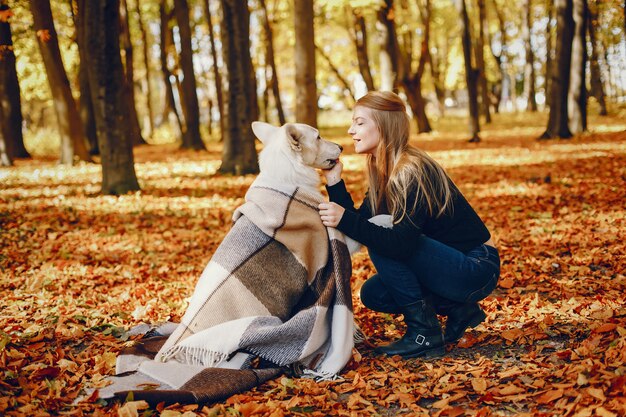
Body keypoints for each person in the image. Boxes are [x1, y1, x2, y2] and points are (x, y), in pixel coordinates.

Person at [318, 91, 500, 359]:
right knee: (374, 294)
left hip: (476, 266)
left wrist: (345, 218)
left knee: (386, 233)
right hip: (451, 265)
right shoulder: (384, 170)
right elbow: (361, 224)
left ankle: (424, 333)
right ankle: (459, 310)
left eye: (359, 122)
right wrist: (334, 182)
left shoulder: (411, 170)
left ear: (383, 124)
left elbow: (398, 244)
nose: (350, 130)